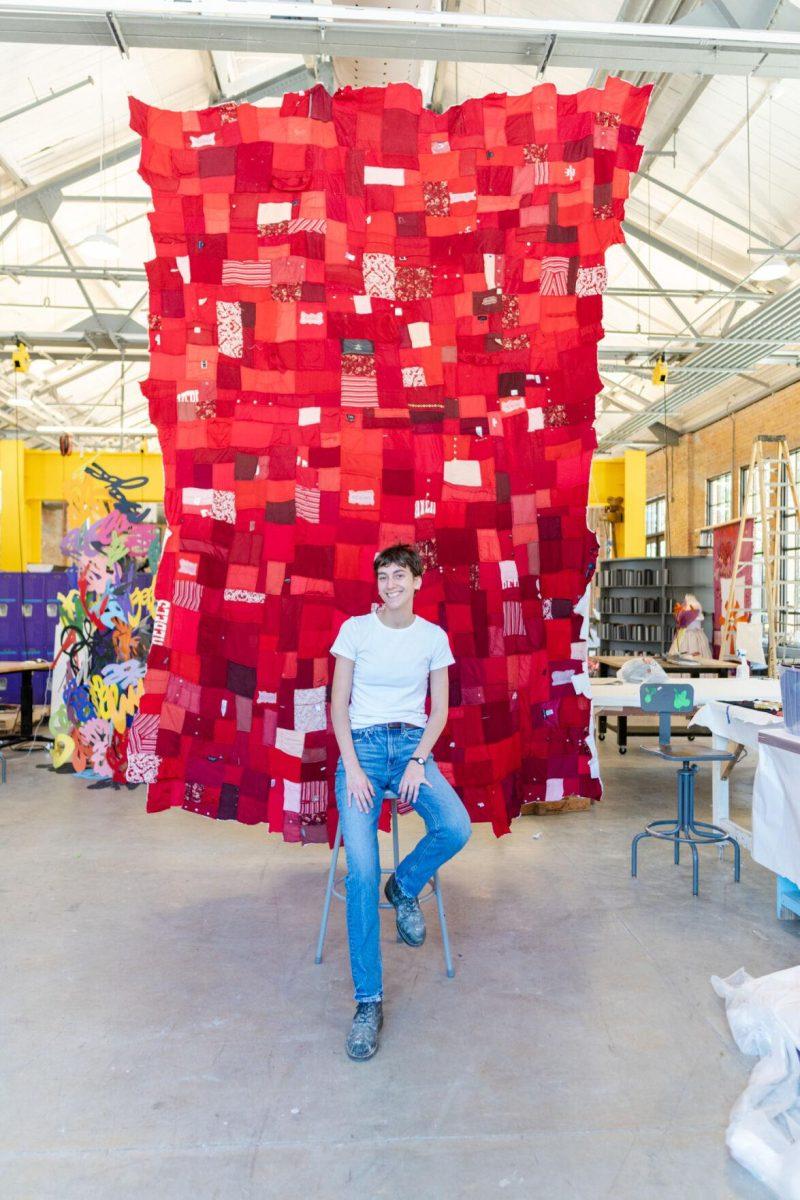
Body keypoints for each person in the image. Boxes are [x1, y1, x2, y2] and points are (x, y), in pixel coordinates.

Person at [329, 543, 472, 1061]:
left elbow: (438, 712)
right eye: (383, 576)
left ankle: (405, 884)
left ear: (417, 582)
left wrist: (418, 762)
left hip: (413, 746)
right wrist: (355, 769)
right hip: (362, 748)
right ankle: (369, 1002)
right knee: (360, 872)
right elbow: (338, 708)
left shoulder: (433, 638)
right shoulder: (355, 631)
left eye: (399, 576)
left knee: (456, 827)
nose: (390, 585)